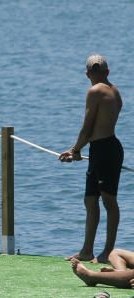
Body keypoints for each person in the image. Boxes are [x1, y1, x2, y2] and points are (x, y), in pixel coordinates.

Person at [59, 54, 124, 263]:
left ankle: (107, 252)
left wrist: (75, 150)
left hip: (105, 149)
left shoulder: (95, 91)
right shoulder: (115, 91)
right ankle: (87, 250)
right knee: (90, 200)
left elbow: (88, 127)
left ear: (88, 74)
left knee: (108, 200)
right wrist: (77, 150)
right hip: (103, 148)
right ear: (107, 71)